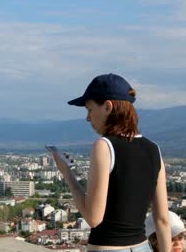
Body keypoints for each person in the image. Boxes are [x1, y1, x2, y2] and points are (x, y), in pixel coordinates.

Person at [50, 73, 171, 251]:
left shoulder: (104, 146)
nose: (88, 118)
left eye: (90, 109)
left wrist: (67, 173)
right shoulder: (154, 149)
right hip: (143, 248)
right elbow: (162, 219)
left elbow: (93, 218)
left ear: (108, 107)